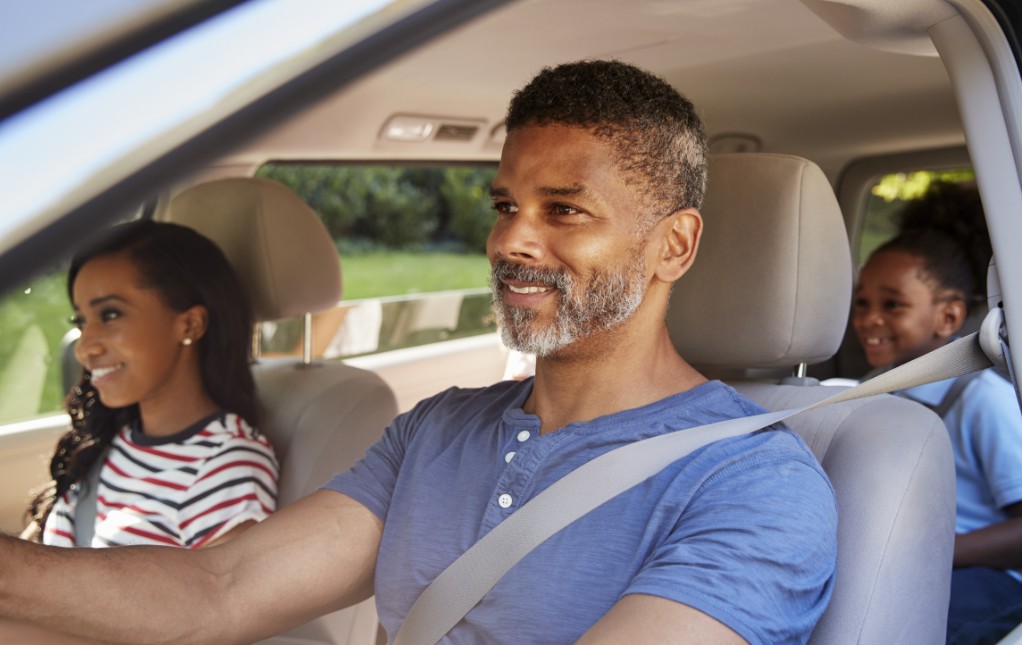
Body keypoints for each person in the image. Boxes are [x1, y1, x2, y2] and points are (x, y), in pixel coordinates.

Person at [0, 60, 835, 644]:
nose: (512, 239)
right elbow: (220, 588)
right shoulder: (437, 430)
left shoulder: (756, 482)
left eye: (564, 210)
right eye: (505, 203)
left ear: (674, 247)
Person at [851, 182, 1022, 645]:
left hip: (988, 579)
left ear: (949, 318)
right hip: (899, 564)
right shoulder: (866, 395)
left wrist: (934, 552)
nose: (869, 319)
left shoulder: (979, 398)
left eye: (892, 304)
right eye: (862, 303)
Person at [21, 220, 278, 549]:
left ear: (190, 324)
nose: (85, 348)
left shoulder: (227, 467)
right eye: (82, 322)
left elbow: (220, 598)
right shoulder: (110, 438)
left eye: (111, 315)